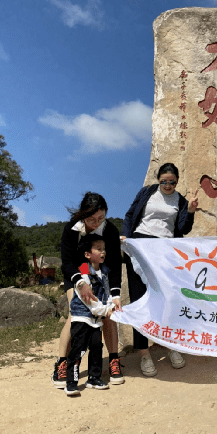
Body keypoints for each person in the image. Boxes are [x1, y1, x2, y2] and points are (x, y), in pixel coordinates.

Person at [121, 163, 199, 377]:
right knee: (140, 300)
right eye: (163, 181)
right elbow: (130, 216)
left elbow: (183, 228)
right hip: (140, 247)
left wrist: (190, 211)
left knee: (166, 299)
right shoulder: (146, 193)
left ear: (177, 181)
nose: (167, 185)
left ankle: (170, 344)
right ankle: (144, 353)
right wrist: (125, 236)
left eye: (172, 182)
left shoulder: (180, 200)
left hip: (164, 251)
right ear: (158, 180)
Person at [52, 192, 124, 389]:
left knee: (109, 314)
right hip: (76, 275)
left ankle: (113, 361)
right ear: (83, 214)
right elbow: (66, 262)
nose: (95, 223)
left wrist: (115, 295)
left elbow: (116, 264)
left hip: (101, 275)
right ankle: (62, 363)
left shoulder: (109, 230)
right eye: (91, 219)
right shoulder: (71, 229)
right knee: (75, 314)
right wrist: (80, 283)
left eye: (100, 218)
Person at [65, 234, 118, 396]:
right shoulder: (83, 271)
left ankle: (93, 378)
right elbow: (88, 299)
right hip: (82, 318)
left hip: (96, 321)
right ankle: (71, 382)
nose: (103, 252)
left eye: (104, 249)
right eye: (99, 249)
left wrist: (111, 305)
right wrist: (105, 311)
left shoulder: (104, 271)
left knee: (96, 347)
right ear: (87, 254)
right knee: (78, 350)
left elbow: (106, 293)